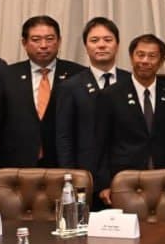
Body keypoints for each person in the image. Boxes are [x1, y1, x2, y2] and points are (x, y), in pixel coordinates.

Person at [95, 35, 165, 206]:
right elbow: (100, 143)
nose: (145, 61)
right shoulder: (110, 95)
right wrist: (105, 184)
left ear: (162, 60)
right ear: (131, 57)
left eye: (152, 56)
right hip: (125, 180)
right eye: (140, 55)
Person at [0, 15, 86, 168]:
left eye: (49, 39)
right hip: (16, 165)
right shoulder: (6, 76)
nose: (43, 45)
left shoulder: (78, 75)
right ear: (24, 43)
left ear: (59, 41)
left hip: (64, 164)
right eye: (36, 40)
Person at [55, 17, 129, 171]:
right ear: (86, 46)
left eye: (108, 40)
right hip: (86, 173)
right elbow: (64, 137)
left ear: (117, 44)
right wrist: (71, 174)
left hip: (127, 173)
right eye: (94, 40)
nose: (101, 45)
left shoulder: (130, 81)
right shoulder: (70, 86)